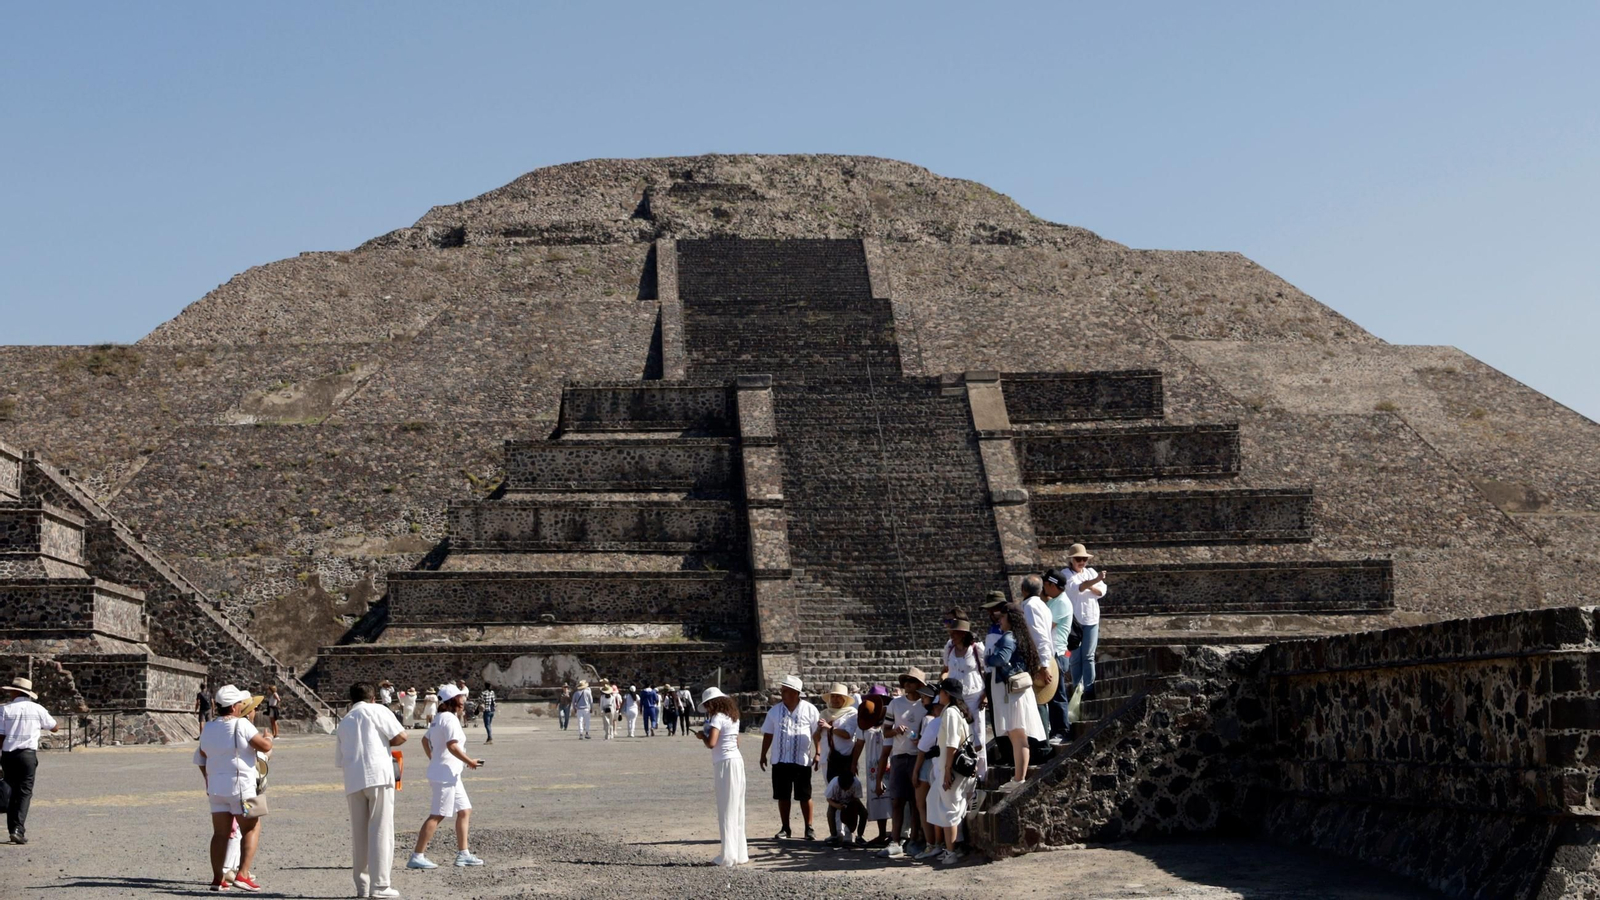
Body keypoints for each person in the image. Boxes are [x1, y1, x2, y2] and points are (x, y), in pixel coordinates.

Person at [196, 684, 272, 892]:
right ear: (234, 706)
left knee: (220, 833)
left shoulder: (209, 727)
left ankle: (217, 878)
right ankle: (243, 874)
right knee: (251, 827)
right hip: (240, 786)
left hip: (216, 787)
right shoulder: (241, 725)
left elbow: (203, 754)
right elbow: (264, 747)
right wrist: (268, 738)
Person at [335, 682, 407, 898]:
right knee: (381, 828)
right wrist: (386, 741)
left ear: (352, 700)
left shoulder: (345, 721)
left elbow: (340, 759)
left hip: (353, 778)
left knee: (359, 833)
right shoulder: (378, 710)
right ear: (374, 697)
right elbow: (402, 736)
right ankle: (381, 885)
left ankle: (363, 886)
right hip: (378, 774)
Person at [408, 684, 485, 870]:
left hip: (449, 772)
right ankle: (417, 856)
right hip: (445, 774)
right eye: (461, 697)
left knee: (465, 810)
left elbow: (424, 740)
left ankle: (463, 854)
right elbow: (452, 745)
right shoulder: (449, 719)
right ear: (453, 700)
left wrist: (434, 759)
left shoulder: (438, 718)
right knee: (438, 814)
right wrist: (470, 761)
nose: (464, 700)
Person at [985, 596, 1046, 789]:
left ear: (1010, 619)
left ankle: (1019, 779)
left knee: (1018, 736)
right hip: (1016, 692)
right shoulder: (1020, 637)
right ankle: (1018, 777)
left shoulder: (1009, 637)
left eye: (1002, 618)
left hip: (1012, 693)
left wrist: (988, 658)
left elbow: (1000, 659)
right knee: (1018, 736)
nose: (999, 621)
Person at [758, 674, 822, 842]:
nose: (782, 693)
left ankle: (809, 827)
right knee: (782, 795)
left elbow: (817, 733)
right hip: (780, 760)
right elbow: (768, 734)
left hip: (801, 760)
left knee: (805, 795)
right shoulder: (775, 711)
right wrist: (763, 754)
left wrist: (818, 752)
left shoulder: (810, 710)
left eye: (785, 690)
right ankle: (785, 828)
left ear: (795, 692)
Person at [875, 667, 927, 859]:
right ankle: (895, 841)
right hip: (898, 756)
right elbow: (885, 731)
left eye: (911, 681)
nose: (906, 684)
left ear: (920, 685)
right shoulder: (895, 705)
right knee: (897, 800)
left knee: (915, 801)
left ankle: (914, 840)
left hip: (918, 757)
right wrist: (896, 730)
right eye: (905, 681)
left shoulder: (926, 705)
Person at [1, 677, 59, 846]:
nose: (9, 693)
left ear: (16, 692)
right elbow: (54, 727)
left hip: (8, 754)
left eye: (11, 691)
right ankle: (18, 829)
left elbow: (0, 736)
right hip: (27, 755)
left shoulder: (4, 710)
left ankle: (13, 828)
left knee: (10, 789)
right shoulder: (37, 709)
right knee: (24, 792)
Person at [924, 677, 974, 866]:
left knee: (949, 809)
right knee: (940, 804)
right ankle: (950, 848)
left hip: (952, 768)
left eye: (941, 691)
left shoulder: (951, 713)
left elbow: (952, 744)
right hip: (951, 766)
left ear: (947, 694)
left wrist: (946, 770)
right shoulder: (952, 711)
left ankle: (951, 851)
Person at [698, 687, 748, 866]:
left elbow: (712, 743)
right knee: (737, 808)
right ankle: (740, 854)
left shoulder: (717, 718)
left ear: (712, 703)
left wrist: (702, 737)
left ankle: (726, 857)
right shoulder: (733, 717)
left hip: (724, 764)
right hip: (736, 761)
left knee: (726, 808)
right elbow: (736, 741)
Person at [941, 616, 989, 778]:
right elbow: (946, 668)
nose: (952, 636)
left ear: (963, 634)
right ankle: (963, 768)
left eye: (954, 633)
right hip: (957, 696)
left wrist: (985, 695)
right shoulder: (949, 649)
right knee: (959, 731)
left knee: (978, 734)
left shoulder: (977, 649)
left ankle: (981, 774)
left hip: (974, 695)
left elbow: (988, 671)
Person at [1062, 544, 1107, 720]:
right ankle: (1077, 687)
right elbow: (1077, 588)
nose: (1081, 562)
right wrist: (1094, 582)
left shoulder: (1090, 573)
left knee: (1088, 655)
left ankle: (1087, 688)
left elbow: (1101, 592)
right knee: (1075, 657)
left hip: (1091, 619)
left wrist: (1091, 584)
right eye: (1078, 559)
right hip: (1074, 622)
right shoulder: (1066, 574)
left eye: (1084, 559)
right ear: (1071, 560)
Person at [852, 692, 892, 846]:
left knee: (894, 799)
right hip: (872, 768)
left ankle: (896, 834)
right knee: (878, 799)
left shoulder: (890, 718)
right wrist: (854, 762)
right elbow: (859, 744)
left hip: (890, 762)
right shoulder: (864, 723)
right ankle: (882, 835)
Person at [1018, 575, 1058, 722]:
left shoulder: (1030, 607)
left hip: (1037, 661)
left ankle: (1042, 742)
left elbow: (1039, 637)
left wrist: (1044, 665)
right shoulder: (1042, 606)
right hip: (1042, 658)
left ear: (1023, 590)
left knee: (1037, 702)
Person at [910, 685, 943, 859]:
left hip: (927, 763)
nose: (922, 699)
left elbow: (923, 750)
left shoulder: (930, 720)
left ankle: (931, 843)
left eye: (924, 697)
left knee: (922, 805)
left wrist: (915, 771)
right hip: (940, 762)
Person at [1042, 570, 1075, 743]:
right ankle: (1056, 729)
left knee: (1058, 694)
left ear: (1052, 585)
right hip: (1053, 654)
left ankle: (1062, 730)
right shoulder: (1055, 601)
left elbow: (1046, 626)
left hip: (1058, 654)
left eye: (1046, 584)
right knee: (1052, 694)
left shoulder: (1061, 603)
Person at [824, 768, 869, 847]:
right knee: (830, 813)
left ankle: (859, 836)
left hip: (851, 801)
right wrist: (837, 806)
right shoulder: (834, 784)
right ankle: (834, 836)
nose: (845, 789)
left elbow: (856, 799)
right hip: (836, 801)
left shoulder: (856, 783)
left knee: (864, 813)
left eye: (847, 787)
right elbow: (828, 799)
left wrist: (850, 809)